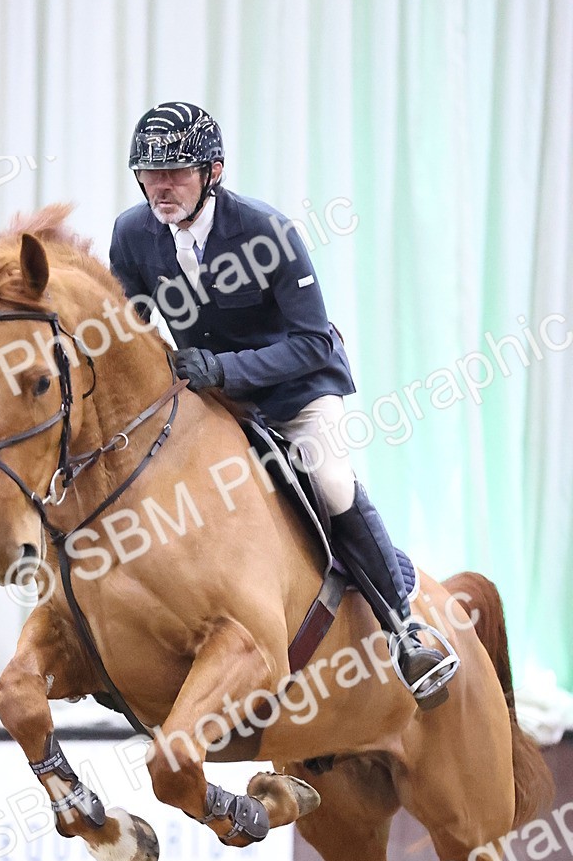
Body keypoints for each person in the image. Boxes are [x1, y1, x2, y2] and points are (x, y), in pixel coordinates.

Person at [109, 101, 457, 709]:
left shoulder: (265, 232)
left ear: (212, 172)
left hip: (295, 391)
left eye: (177, 172)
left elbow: (311, 340)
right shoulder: (132, 234)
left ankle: (407, 629)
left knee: (330, 480)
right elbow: (132, 325)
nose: (161, 186)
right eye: (150, 173)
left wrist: (223, 367)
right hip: (210, 400)